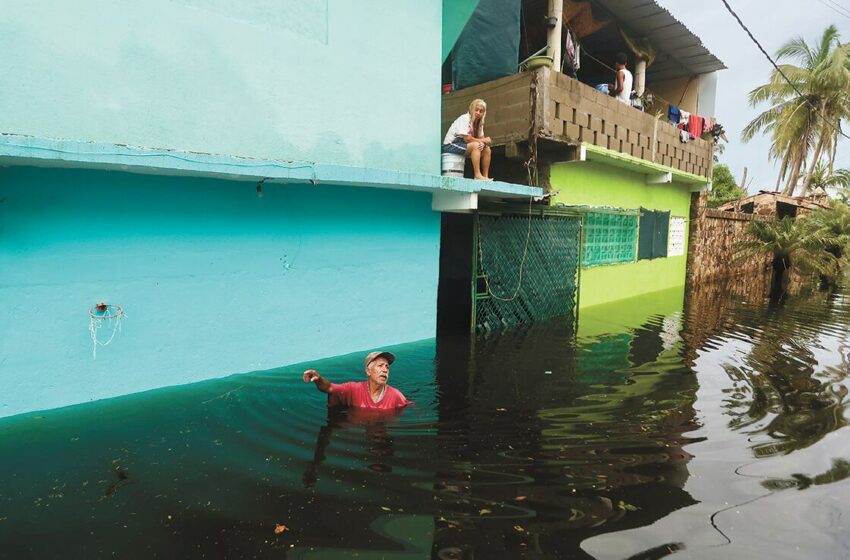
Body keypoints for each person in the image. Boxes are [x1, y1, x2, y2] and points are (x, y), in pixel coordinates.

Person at [302, 351, 411, 410]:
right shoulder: (353, 389)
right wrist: (318, 379)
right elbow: (329, 387)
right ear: (368, 371)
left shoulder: (396, 396)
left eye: (387, 367)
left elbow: (411, 408)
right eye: (380, 366)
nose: (385, 370)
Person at [442, 98, 493, 181]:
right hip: (450, 145)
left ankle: (485, 176)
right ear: (472, 109)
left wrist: (484, 143)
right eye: (476, 110)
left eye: (481, 111)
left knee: (487, 149)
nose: (478, 113)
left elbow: (482, 139)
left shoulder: (479, 123)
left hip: (463, 145)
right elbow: (467, 139)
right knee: (476, 145)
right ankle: (477, 175)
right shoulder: (465, 118)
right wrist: (483, 141)